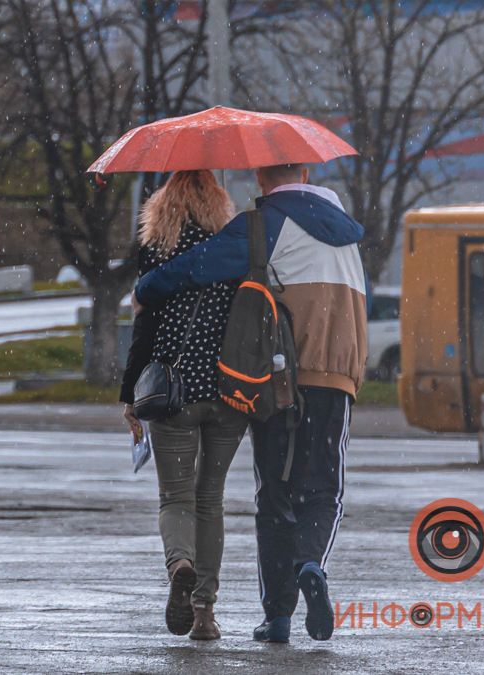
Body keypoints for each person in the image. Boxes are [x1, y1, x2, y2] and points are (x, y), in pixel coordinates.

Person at [133, 164, 368, 644]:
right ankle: (312, 565)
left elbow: (198, 266)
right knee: (325, 487)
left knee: (274, 495)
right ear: (305, 170)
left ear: (262, 176)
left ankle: (277, 617)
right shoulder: (345, 228)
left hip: (279, 376)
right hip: (339, 375)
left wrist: (144, 288)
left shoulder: (265, 223)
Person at [119, 170, 249, 641]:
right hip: (229, 393)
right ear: (217, 203)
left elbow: (143, 332)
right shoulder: (235, 253)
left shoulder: (159, 254)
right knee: (210, 498)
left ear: (161, 206)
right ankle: (204, 614)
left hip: (172, 393)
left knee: (175, 498)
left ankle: (181, 564)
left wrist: (129, 394)